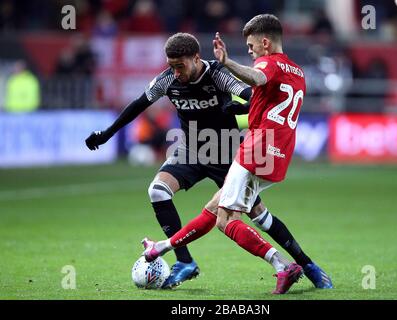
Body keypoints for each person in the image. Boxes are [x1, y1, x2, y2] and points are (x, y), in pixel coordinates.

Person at [86, 32, 330, 291]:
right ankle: (185, 261)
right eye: (171, 66)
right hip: (191, 149)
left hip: (226, 150)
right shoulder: (167, 80)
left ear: (196, 58)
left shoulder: (217, 74)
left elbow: (253, 97)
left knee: (258, 215)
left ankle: (306, 263)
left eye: (180, 66)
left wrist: (239, 108)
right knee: (157, 191)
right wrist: (107, 133)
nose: (176, 72)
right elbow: (137, 105)